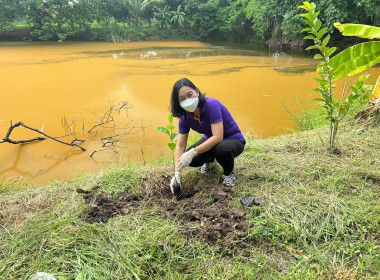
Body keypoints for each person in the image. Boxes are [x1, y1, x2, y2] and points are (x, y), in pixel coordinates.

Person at [169, 78, 245, 195]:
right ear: (178, 102)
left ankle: (228, 174)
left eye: (190, 95)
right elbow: (180, 146)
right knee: (190, 160)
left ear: (197, 92)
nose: (187, 100)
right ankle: (210, 161)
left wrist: (194, 151)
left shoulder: (211, 105)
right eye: (182, 99)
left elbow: (218, 137)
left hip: (232, 139)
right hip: (211, 139)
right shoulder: (185, 117)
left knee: (221, 149)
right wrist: (177, 173)